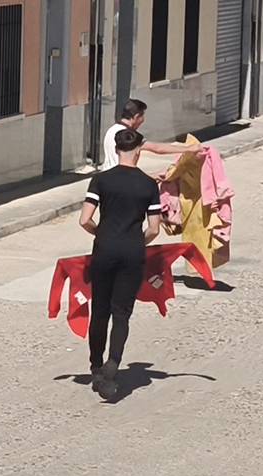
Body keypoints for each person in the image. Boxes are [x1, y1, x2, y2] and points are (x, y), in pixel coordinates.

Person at [80, 128, 162, 400]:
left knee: (100, 309)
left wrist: (101, 234)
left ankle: (95, 366)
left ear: (116, 150)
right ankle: (112, 365)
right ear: (138, 151)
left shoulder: (101, 180)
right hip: (132, 251)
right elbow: (153, 229)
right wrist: (136, 241)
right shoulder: (149, 185)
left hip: (104, 249)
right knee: (122, 313)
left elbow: (84, 220)